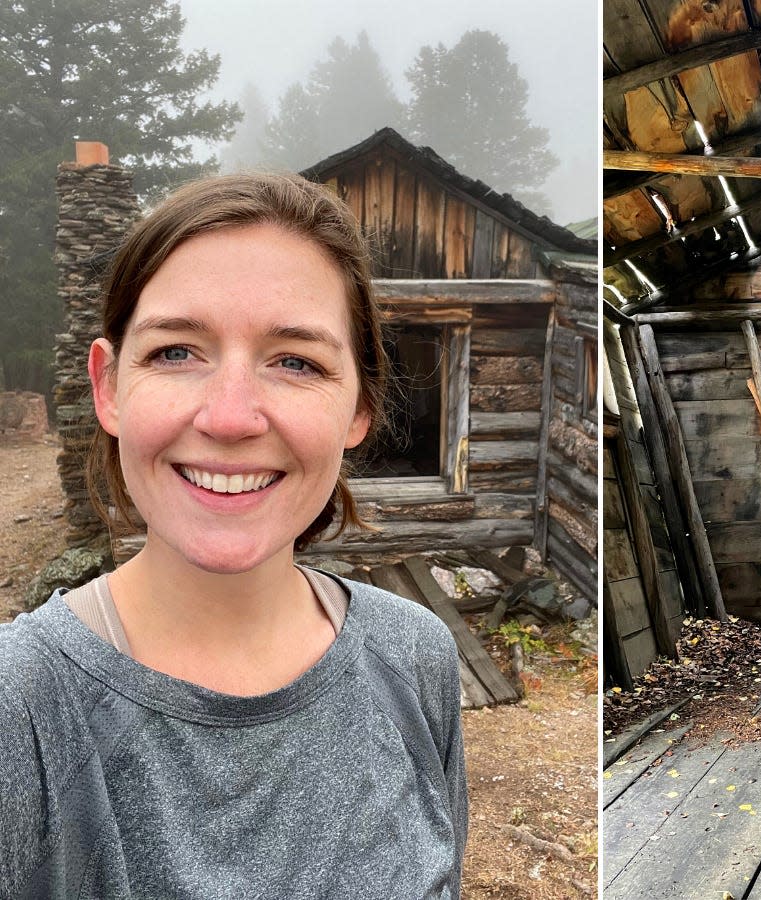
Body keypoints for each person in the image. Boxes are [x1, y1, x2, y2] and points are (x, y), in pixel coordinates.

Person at [0, 173, 467, 898]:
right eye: (176, 352)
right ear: (109, 387)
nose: (230, 417)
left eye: (296, 362)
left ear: (359, 407)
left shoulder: (416, 659)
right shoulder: (18, 707)